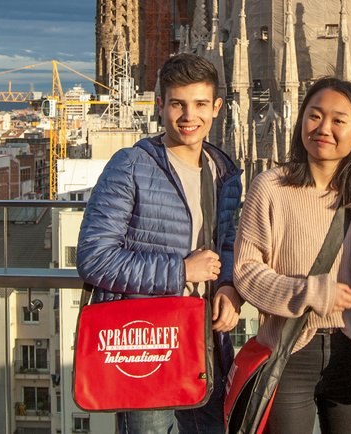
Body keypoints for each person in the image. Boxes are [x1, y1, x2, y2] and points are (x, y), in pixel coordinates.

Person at [77, 53, 244, 434]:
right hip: (147, 341)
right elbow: (94, 258)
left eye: (200, 104)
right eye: (178, 105)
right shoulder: (131, 165)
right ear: (160, 105)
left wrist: (231, 288)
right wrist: (181, 270)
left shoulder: (224, 171)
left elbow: (229, 243)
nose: (189, 116)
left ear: (216, 107)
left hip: (206, 340)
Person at [234, 77, 351, 434]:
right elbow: (246, 271)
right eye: (314, 116)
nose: (324, 128)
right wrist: (310, 292)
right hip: (288, 350)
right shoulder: (270, 187)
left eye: (339, 120)